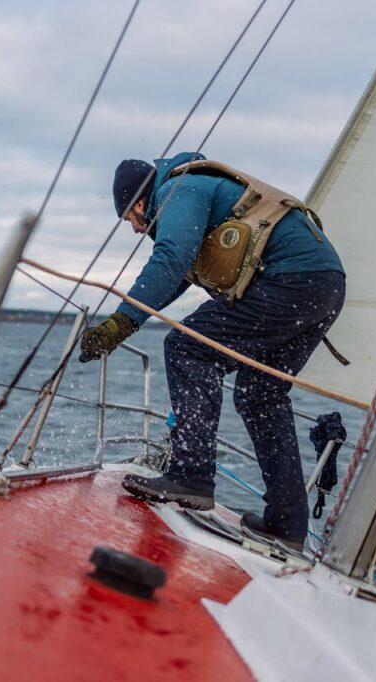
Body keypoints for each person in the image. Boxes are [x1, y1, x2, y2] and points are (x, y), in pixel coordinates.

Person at [79, 152, 345, 551]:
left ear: (138, 201)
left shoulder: (178, 189)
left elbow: (170, 258)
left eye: (130, 219)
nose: (135, 229)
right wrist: (130, 320)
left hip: (289, 281)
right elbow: (179, 277)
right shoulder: (197, 189)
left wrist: (122, 320)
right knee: (261, 395)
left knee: (188, 349)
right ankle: (286, 524)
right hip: (323, 287)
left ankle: (191, 475)